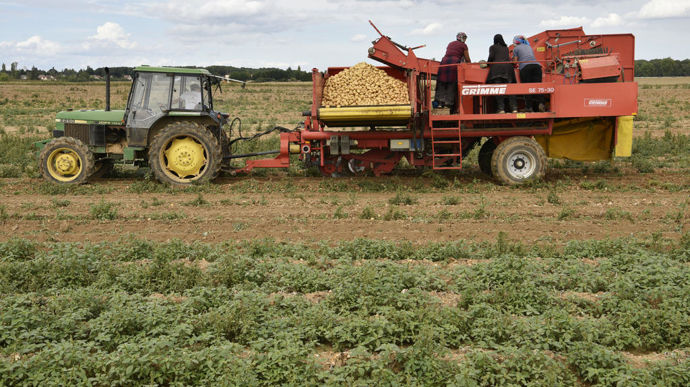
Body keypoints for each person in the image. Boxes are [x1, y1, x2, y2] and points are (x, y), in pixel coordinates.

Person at [434, 32, 471, 112]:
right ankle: (448, 104)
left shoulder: (450, 43)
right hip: (454, 63)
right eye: (464, 38)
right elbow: (467, 59)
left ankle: (440, 103)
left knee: (442, 82)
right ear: (461, 38)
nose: (465, 40)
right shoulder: (464, 46)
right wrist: (470, 66)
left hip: (444, 62)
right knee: (451, 83)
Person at [512, 35, 543, 112]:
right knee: (538, 87)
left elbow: (515, 62)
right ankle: (541, 104)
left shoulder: (516, 49)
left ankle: (529, 107)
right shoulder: (529, 47)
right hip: (537, 67)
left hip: (525, 67)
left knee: (527, 87)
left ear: (516, 41)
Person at [486, 34, 516, 113]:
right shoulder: (506, 48)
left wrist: (487, 64)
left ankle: (501, 109)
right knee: (510, 90)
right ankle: (514, 109)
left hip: (497, 69)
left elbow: (491, 57)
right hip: (508, 69)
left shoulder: (492, 47)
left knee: (499, 90)